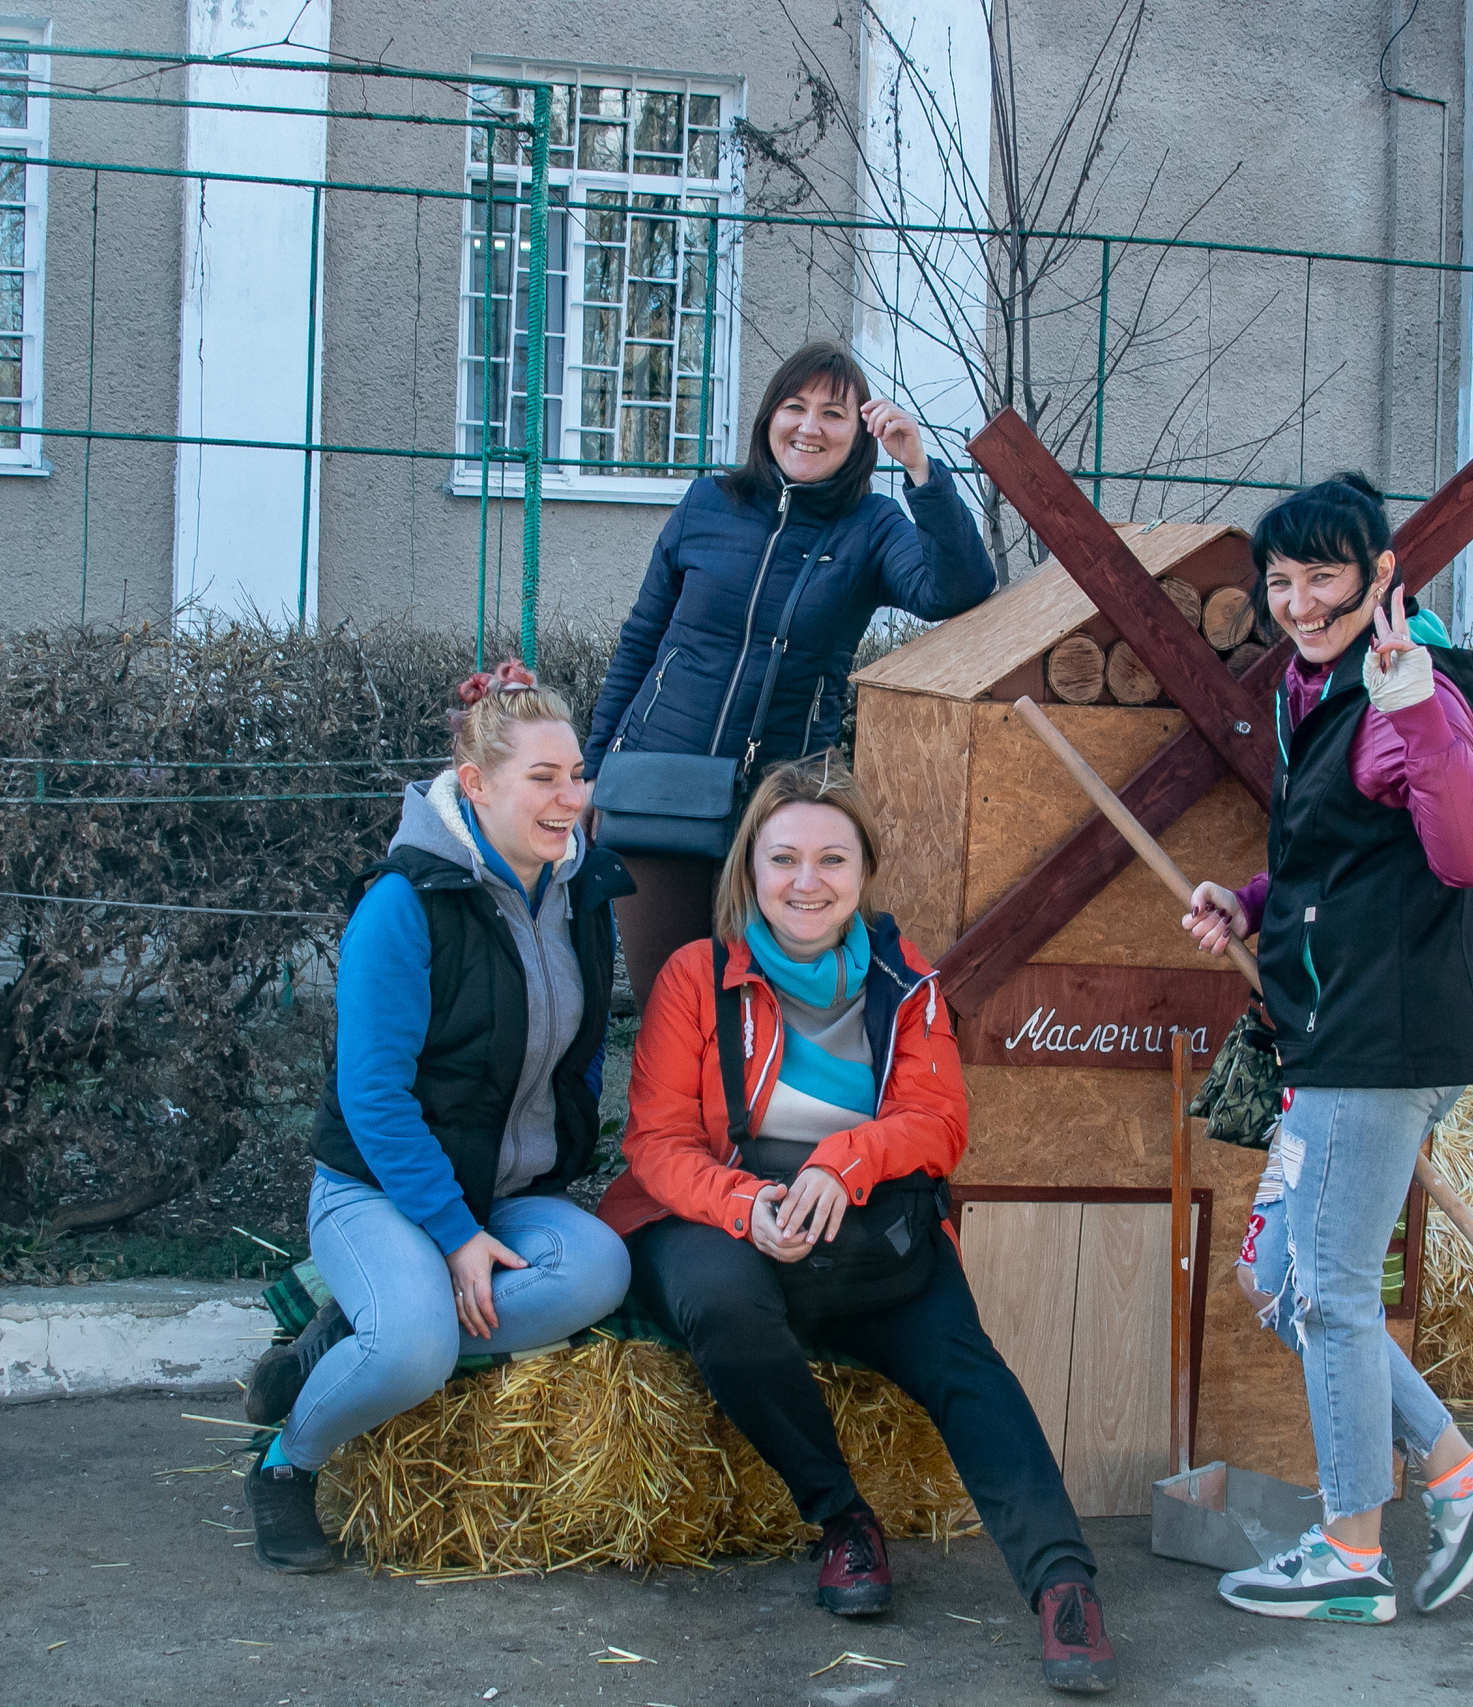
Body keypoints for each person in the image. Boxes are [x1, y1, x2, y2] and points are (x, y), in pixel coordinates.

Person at [598, 755, 1119, 1695]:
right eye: (784, 857)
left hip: (866, 1224)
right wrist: (748, 1203)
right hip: (720, 1213)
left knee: (965, 1366)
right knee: (720, 1301)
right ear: (749, 869)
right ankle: (842, 1520)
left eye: (832, 859)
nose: (807, 881)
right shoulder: (698, 976)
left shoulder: (904, 978)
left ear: (864, 871)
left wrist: (846, 1160)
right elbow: (658, 1143)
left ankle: (1063, 1583)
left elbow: (939, 1122)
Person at [1178, 473, 1473, 1624]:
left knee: (1327, 1294)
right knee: (1282, 1284)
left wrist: (1417, 706)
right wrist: (1248, 902)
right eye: (1278, 583)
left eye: (1321, 576)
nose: (1296, 601)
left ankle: (1348, 1552)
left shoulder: (1397, 691)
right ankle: (1458, 1475)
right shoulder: (1312, 688)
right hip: (1330, 1031)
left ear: (1381, 575)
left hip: (1378, 1038)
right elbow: (1333, 861)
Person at [243, 663, 635, 1573]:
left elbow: (576, 1060)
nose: (569, 797)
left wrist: (548, 1162)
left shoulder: (579, 893)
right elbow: (373, 1100)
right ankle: (286, 1461)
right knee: (416, 1347)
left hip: (502, 1185)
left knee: (597, 1266)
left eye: (576, 775)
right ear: (476, 785)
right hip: (375, 1189)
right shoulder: (403, 903)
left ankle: (347, 1339)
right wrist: (455, 1236)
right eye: (542, 778)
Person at [583, 338, 995, 1010]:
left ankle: (751, 1121)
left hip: (784, 803)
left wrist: (921, 469)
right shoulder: (707, 504)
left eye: (833, 413)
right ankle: (670, 1121)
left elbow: (956, 588)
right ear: (769, 415)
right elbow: (640, 641)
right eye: (795, 406)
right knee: (671, 1007)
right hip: (660, 786)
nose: (809, 426)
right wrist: (593, 769)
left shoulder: (872, 526)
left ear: (859, 432)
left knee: (764, 1010)